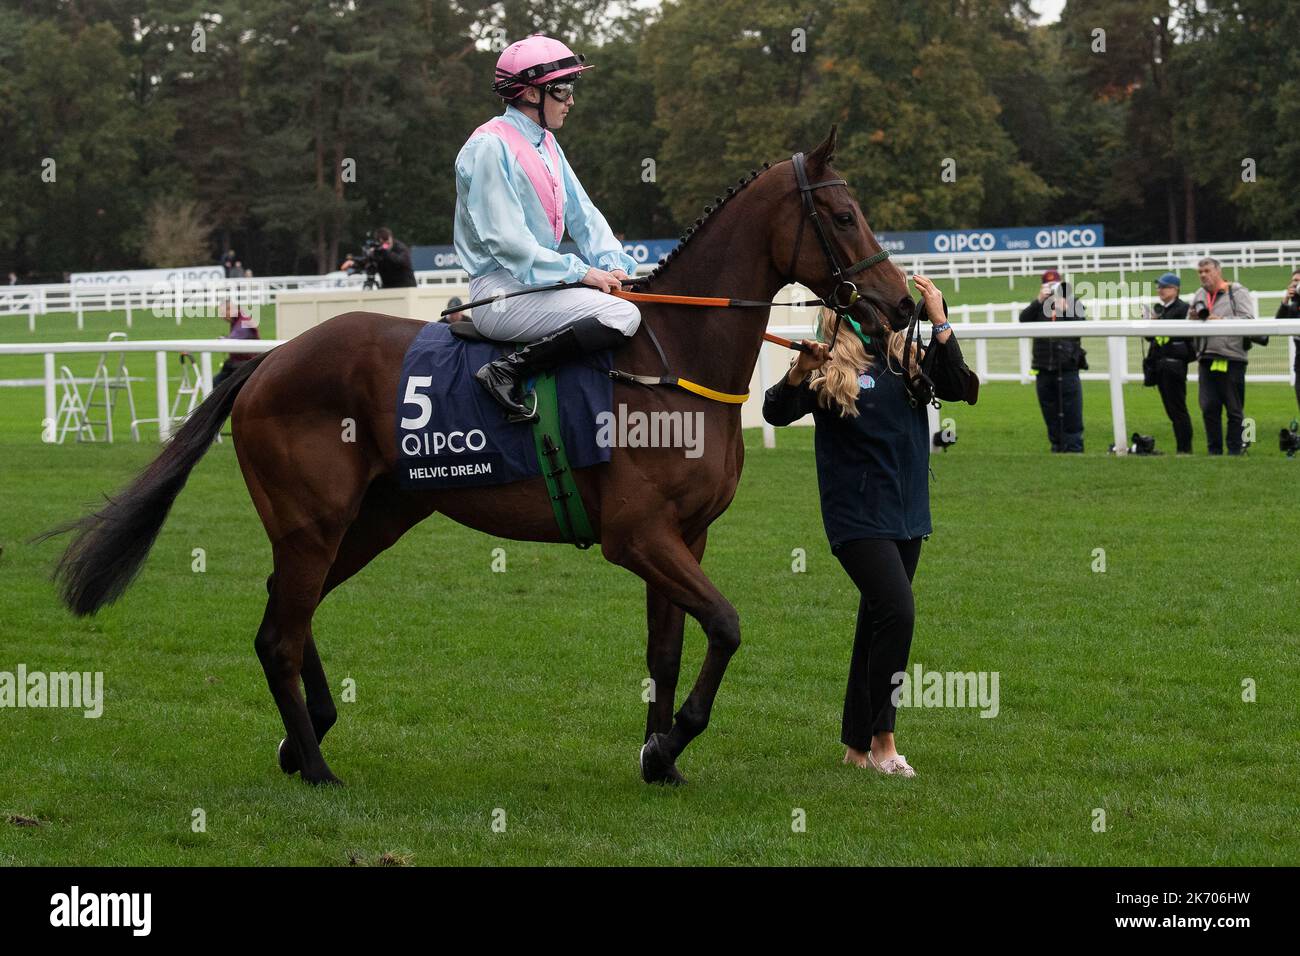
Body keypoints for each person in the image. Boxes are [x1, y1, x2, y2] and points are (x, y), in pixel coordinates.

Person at [763, 275, 980, 778]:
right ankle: (884, 739)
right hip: (857, 517)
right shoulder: (827, 369)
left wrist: (939, 318)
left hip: (907, 512)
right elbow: (775, 412)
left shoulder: (904, 360)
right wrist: (799, 369)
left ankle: (854, 748)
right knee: (897, 612)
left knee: (875, 623)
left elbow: (954, 385)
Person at [453, 33, 639, 422]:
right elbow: (509, 244)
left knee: (630, 300)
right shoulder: (489, 145)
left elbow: (584, 215)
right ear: (531, 94)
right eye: (562, 89)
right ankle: (506, 371)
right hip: (499, 292)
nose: (571, 99)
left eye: (571, 88)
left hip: (538, 285)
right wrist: (583, 272)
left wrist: (613, 262)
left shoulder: (547, 144)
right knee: (623, 317)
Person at [1188, 257, 1265, 455]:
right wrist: (1193, 317)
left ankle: (1235, 450)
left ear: (1218, 271)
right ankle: (1214, 452)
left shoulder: (1237, 292)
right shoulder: (1199, 294)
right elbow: (1191, 323)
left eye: (1207, 271)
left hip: (1232, 358)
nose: (1203, 275)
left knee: (1234, 409)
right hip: (1206, 358)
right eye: (1200, 272)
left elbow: (1248, 319)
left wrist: (1220, 320)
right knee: (1208, 408)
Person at [1020, 269, 1087, 452]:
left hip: (1067, 367)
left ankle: (1074, 448)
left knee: (1072, 411)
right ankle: (1057, 446)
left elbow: (1083, 325)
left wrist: (1066, 309)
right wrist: (1038, 301)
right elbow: (1023, 320)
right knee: (1049, 411)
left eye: (1055, 285)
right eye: (1048, 286)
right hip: (1043, 368)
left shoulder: (1074, 303)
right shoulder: (1039, 306)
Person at [1142, 272, 1194, 454]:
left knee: (1178, 410)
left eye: (1164, 287)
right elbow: (1151, 338)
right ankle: (1182, 448)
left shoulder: (1183, 309)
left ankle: (1184, 449)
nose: (1160, 290)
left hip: (1174, 366)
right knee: (1172, 411)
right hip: (1160, 366)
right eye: (1159, 287)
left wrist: (1157, 323)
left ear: (1176, 289)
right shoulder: (1162, 310)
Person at [339, 227, 416, 288]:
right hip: (388, 287)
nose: (386, 245)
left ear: (391, 238)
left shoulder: (400, 248)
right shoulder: (378, 251)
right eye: (383, 243)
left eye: (388, 242)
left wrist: (384, 251)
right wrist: (353, 263)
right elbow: (368, 263)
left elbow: (400, 261)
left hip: (405, 287)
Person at [212, 299, 260, 388]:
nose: (222, 317)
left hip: (245, 365)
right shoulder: (239, 320)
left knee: (218, 382)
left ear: (229, 310)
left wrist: (223, 339)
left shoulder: (243, 322)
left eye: (222, 314)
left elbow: (234, 339)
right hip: (240, 364)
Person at [1275, 268, 1300, 414]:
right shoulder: (1293, 306)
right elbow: (1277, 324)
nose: (1297, 284)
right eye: (1295, 281)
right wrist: (1286, 300)